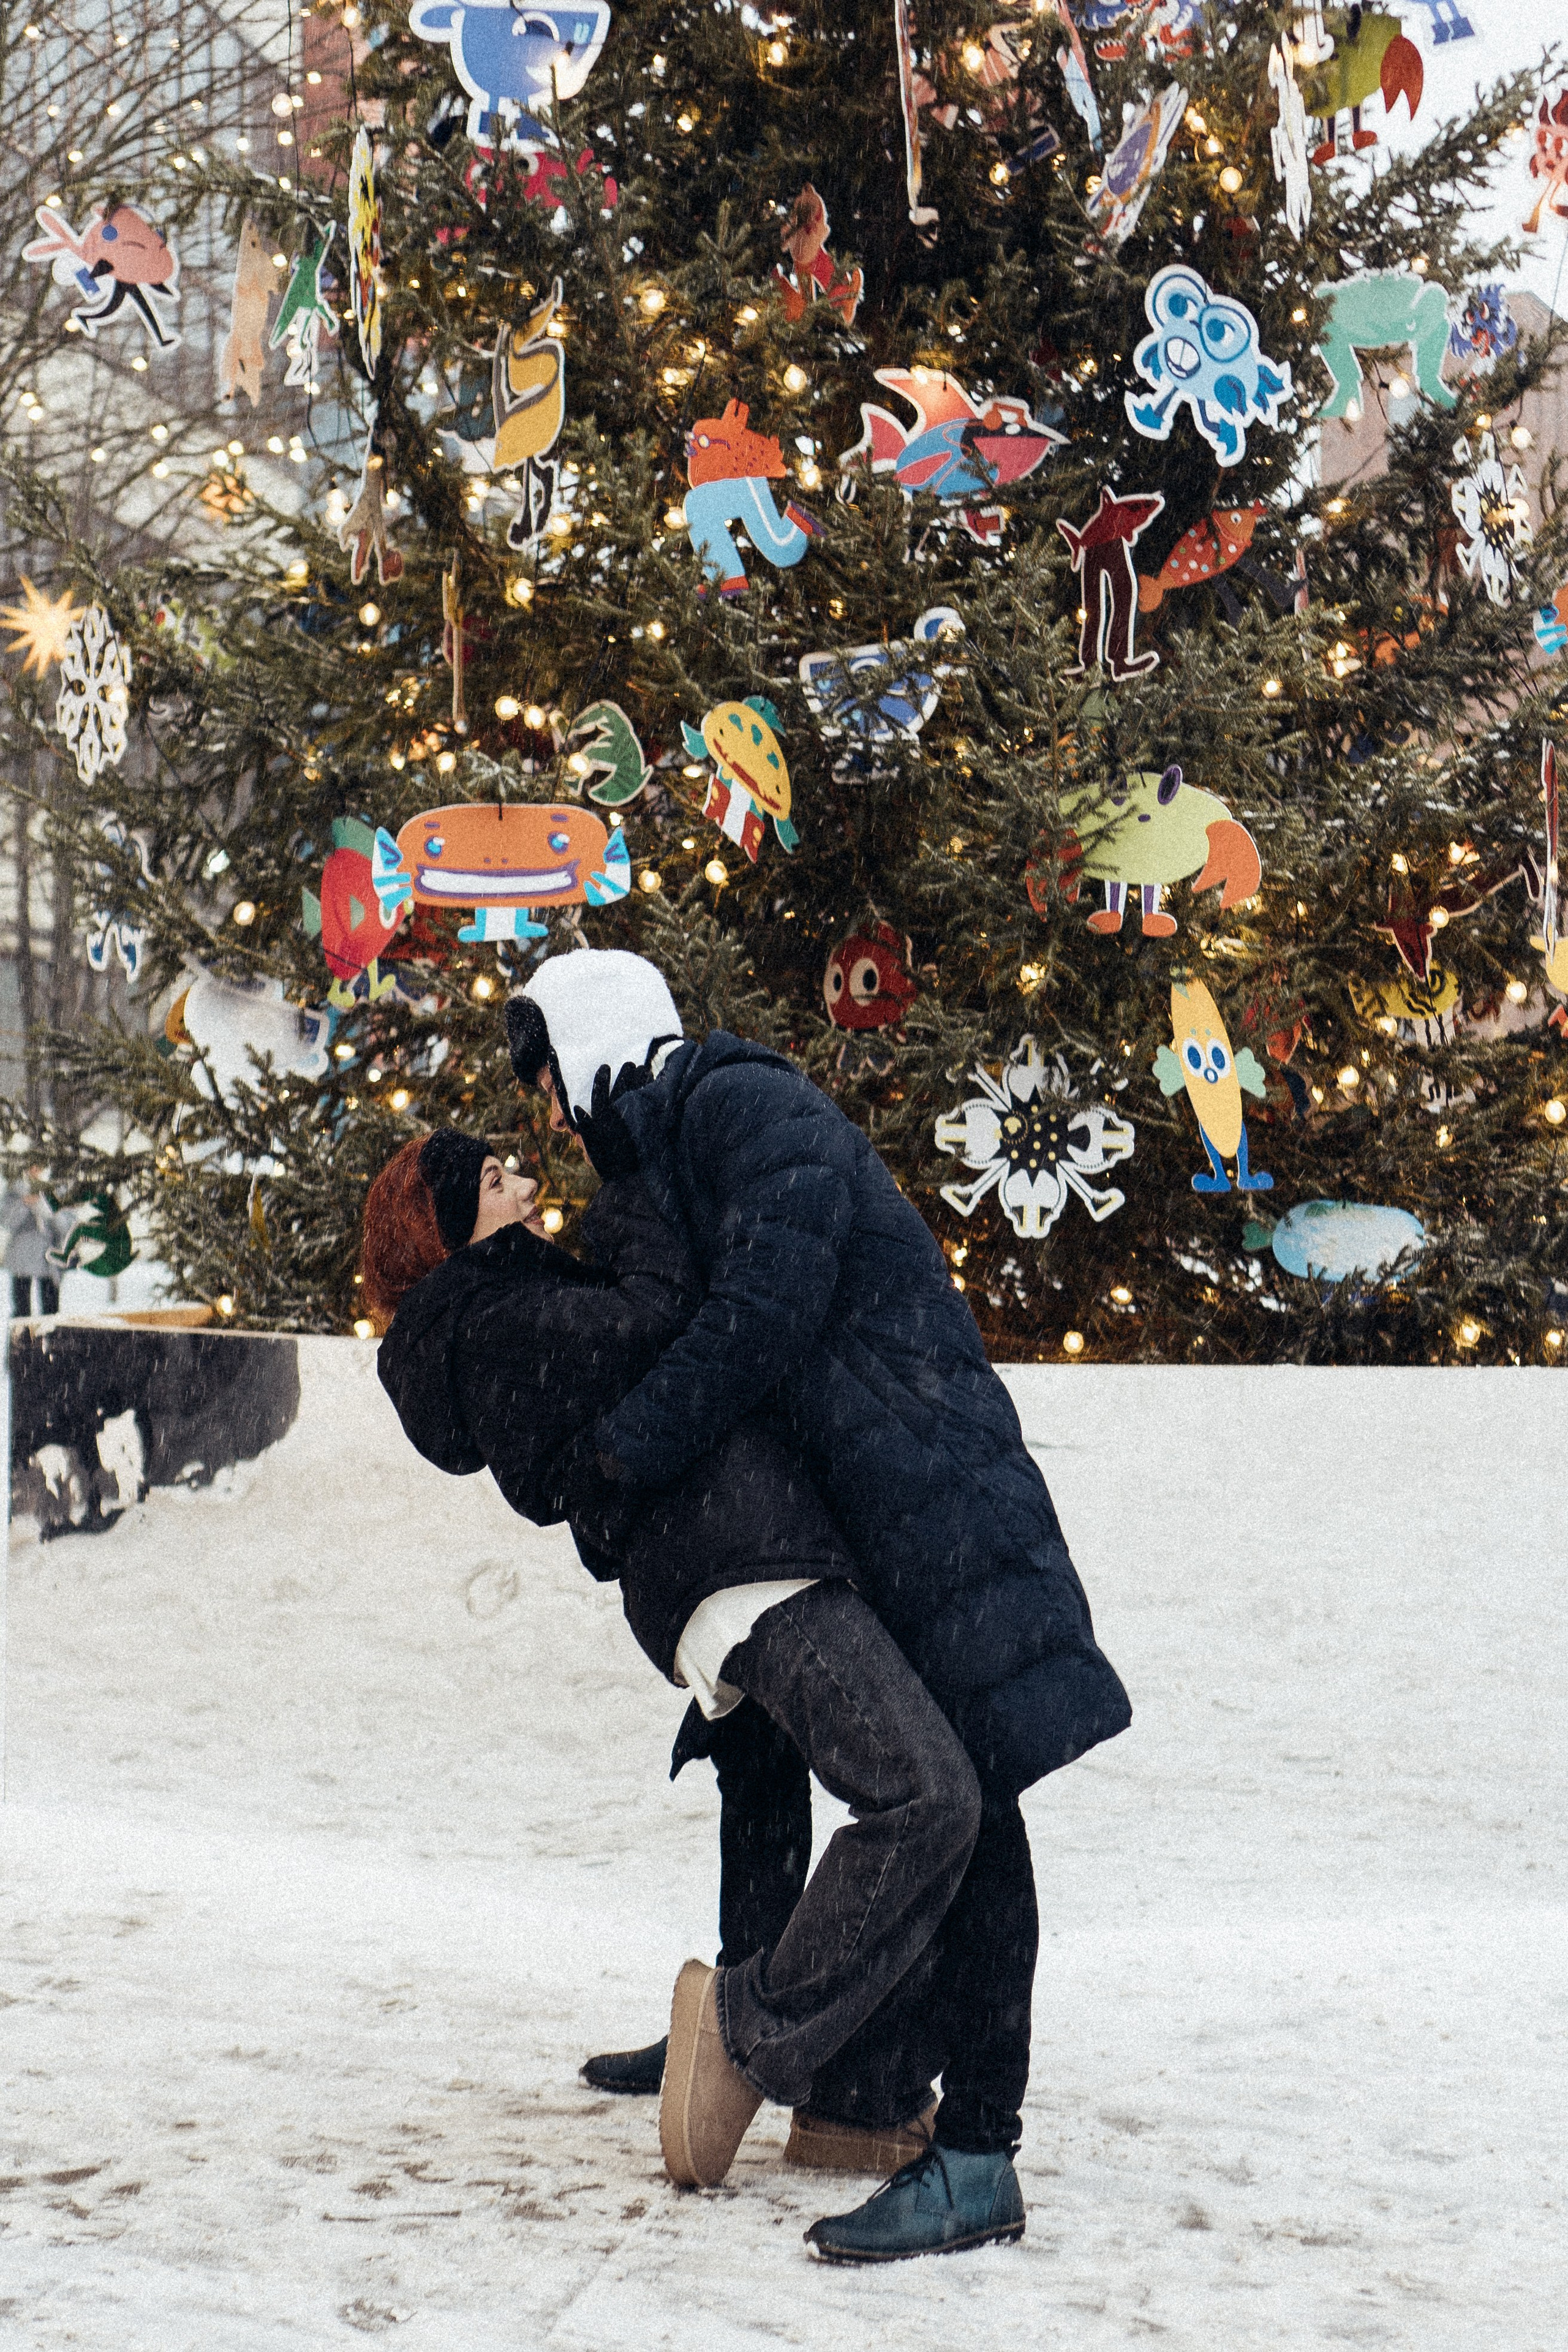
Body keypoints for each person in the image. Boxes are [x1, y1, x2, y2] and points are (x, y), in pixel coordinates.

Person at [505, 949, 1131, 2263]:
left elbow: (761, 1312)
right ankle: (836, 2078)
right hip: (875, 1499)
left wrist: (621, 1452)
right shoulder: (685, 1140)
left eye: (554, 1075)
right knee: (821, 1758)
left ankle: (971, 2152)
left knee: (970, 1802)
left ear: (600, 1042)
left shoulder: (744, 1103)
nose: (557, 1115)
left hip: (928, 1485)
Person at [365, 1125, 1013, 2239]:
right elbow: (658, 1322)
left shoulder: (508, 1303)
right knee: (926, 1795)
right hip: (738, 1568)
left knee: (846, 1786)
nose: (527, 1185)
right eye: (493, 1180)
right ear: (442, 1228)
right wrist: (641, 1208)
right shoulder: (494, 1322)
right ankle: (745, 2025)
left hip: (755, 1553)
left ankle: (858, 2100)